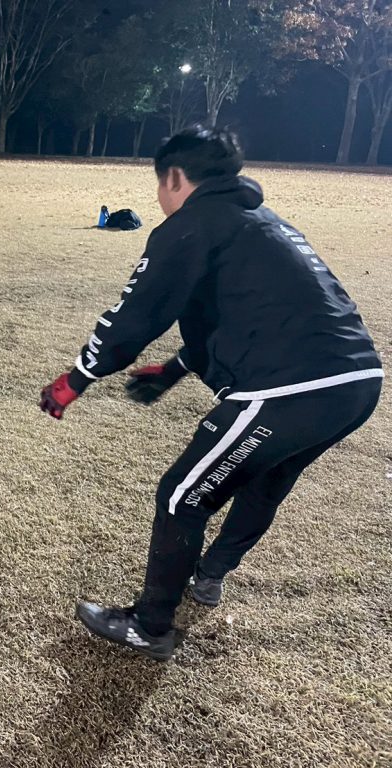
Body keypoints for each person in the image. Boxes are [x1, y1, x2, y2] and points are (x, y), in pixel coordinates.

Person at [39, 126, 383, 662]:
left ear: (175, 177)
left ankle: (150, 626)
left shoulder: (191, 225)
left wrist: (75, 380)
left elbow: (135, 317)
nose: (160, 197)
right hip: (356, 384)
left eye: (160, 184)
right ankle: (209, 575)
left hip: (291, 388)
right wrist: (175, 368)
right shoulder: (263, 222)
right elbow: (248, 312)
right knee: (264, 481)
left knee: (183, 495)